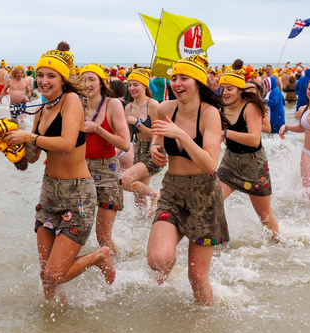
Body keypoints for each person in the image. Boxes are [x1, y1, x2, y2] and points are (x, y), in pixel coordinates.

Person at [1, 44, 115, 307]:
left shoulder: (72, 101)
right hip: (49, 192)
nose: (43, 81)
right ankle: (55, 320)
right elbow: (34, 157)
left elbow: (66, 142)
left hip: (77, 193)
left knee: (54, 272)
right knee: (46, 275)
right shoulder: (40, 111)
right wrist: (11, 147)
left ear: (63, 79)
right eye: (40, 75)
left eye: (51, 75)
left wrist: (29, 136)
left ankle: (99, 256)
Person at [147, 54, 229, 306]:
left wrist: (181, 135)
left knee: (196, 276)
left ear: (198, 83)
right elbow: (158, 137)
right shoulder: (165, 108)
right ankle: (174, 248)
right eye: (174, 77)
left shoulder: (210, 113)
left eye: (184, 78)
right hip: (172, 189)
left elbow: (209, 164)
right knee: (157, 260)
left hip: (204, 194)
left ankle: (205, 328)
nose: (176, 82)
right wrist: (154, 148)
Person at [218, 68, 280, 243]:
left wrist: (224, 133)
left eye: (229, 88)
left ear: (239, 90)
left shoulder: (250, 107)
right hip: (230, 161)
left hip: (254, 164)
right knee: (213, 201)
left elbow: (254, 139)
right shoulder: (222, 107)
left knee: (264, 215)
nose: (225, 92)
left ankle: (279, 245)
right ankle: (220, 240)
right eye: (222, 88)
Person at [80, 63, 131, 254]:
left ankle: (117, 270)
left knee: (102, 235)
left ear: (101, 83)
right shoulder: (77, 105)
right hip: (80, 169)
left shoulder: (113, 104)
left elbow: (125, 143)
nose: (87, 84)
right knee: (76, 231)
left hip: (107, 171)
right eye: (83, 80)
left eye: (92, 79)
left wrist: (97, 129)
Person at [121, 67, 161, 212]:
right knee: (139, 199)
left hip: (154, 151)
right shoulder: (128, 107)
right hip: (138, 150)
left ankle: (156, 194)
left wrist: (137, 124)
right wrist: (112, 154)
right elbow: (126, 137)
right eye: (130, 85)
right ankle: (145, 227)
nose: (131, 88)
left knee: (124, 180)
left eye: (135, 84)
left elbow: (157, 135)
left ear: (145, 85)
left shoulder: (153, 105)